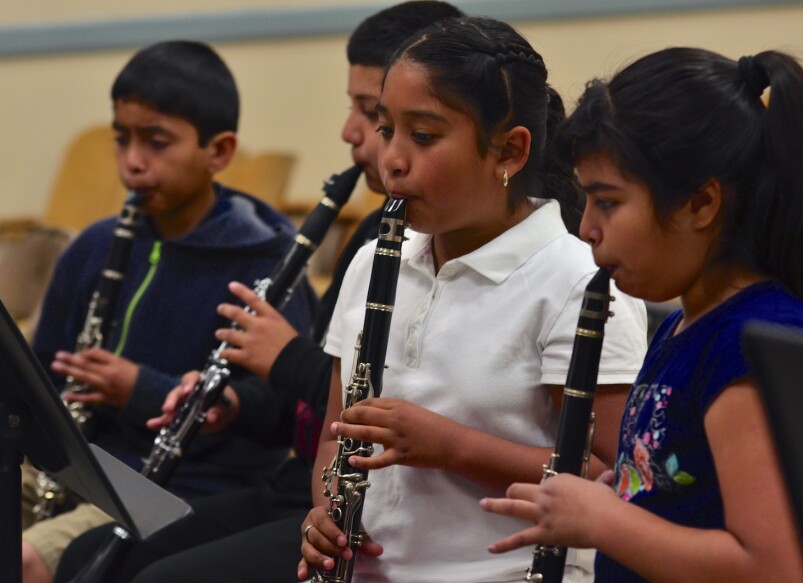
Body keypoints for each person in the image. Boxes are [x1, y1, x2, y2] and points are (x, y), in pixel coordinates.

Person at [54, 4, 466, 582]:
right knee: (96, 557)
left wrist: (282, 358)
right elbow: (300, 412)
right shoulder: (374, 236)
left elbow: (372, 402)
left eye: (370, 113)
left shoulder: (419, 247)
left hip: (374, 509)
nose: (351, 133)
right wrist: (236, 401)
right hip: (301, 488)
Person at [479, 47, 803, 582]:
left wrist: (604, 521)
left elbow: (773, 568)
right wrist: (621, 495)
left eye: (608, 202)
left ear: (701, 204)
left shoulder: (752, 343)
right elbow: (685, 490)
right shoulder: (683, 322)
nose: (586, 228)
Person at [298, 16, 648, 583]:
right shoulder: (372, 262)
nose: (393, 159)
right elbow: (334, 438)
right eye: (386, 129)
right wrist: (324, 514)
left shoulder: (574, 279)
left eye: (425, 136)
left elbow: (614, 478)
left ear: (508, 151)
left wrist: (454, 446)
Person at [21, 40, 315, 583]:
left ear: (219, 151)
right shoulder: (96, 245)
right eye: (122, 139)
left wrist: (138, 389)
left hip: (179, 486)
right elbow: (38, 373)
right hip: (81, 468)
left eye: (156, 143)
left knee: (25, 562)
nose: (132, 161)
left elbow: (276, 417)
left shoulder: (265, 258)